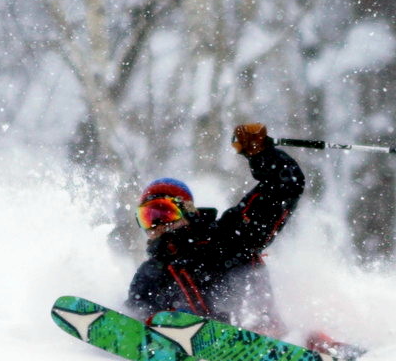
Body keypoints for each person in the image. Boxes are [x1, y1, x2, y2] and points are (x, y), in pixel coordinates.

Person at [127, 122, 301, 337]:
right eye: (147, 217)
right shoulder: (150, 274)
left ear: (188, 210)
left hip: (256, 333)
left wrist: (261, 155)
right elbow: (134, 323)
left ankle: (304, 340)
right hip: (197, 358)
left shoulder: (228, 235)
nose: (158, 225)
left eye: (165, 212)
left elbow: (285, 186)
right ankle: (181, 331)